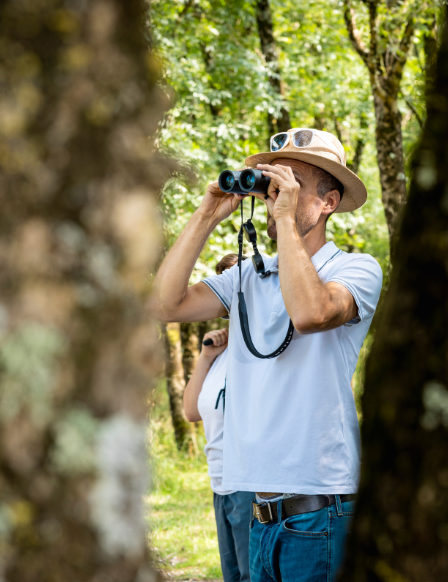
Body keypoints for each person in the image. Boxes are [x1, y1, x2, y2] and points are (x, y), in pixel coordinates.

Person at [148, 129, 383, 582]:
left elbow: (311, 313)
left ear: (329, 202)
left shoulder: (355, 268)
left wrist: (287, 221)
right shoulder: (249, 276)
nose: (276, 194)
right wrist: (206, 215)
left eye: (293, 184)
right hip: (261, 515)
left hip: (321, 512)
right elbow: (164, 305)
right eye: (273, 182)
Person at [183, 253, 252, 582]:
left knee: (251, 574)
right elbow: (191, 411)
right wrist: (206, 356)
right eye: (225, 279)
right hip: (220, 482)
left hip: (248, 483)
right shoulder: (221, 352)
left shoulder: (260, 346)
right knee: (232, 575)